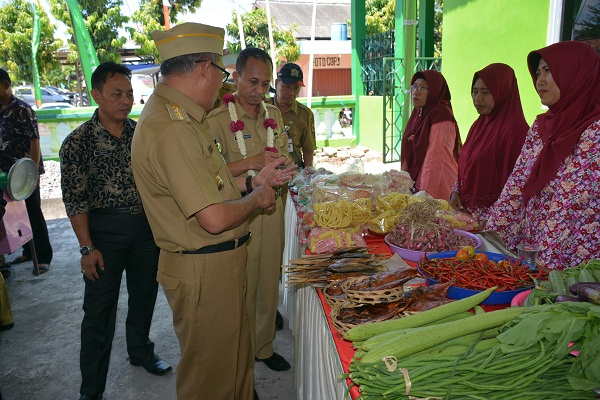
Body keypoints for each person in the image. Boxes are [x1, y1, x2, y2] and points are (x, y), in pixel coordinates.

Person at [131, 23, 296, 400]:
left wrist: (256, 182)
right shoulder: (172, 128)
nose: (222, 84)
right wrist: (257, 199)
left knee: (234, 372)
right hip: (202, 268)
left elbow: (217, 186)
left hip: (217, 263)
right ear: (206, 69)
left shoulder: (184, 118)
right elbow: (214, 217)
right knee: (212, 382)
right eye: (223, 74)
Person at [60, 62, 172, 400]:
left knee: (144, 296)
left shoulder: (142, 134)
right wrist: (86, 248)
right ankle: (90, 390)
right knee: (98, 313)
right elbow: (74, 200)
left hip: (144, 230)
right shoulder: (78, 142)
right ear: (96, 95)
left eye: (129, 94)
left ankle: (140, 351)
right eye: (116, 94)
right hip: (103, 235)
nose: (125, 101)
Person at [207, 47, 292, 373]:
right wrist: (254, 164)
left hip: (271, 213)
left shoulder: (274, 114)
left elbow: (282, 153)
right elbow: (210, 174)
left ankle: (264, 347)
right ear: (236, 77)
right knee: (239, 290)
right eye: (252, 81)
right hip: (237, 215)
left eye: (265, 84)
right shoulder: (217, 120)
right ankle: (241, 367)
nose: (259, 90)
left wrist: (286, 168)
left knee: (269, 283)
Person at [486, 41, 600, 269]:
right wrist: (489, 237)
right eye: (538, 72)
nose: (540, 80)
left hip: (570, 264)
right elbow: (516, 184)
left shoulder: (595, 131)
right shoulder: (542, 126)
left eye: (550, 71)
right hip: (533, 252)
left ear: (577, 73)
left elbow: (571, 204)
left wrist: (543, 264)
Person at [449, 63, 528, 222]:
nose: (478, 98)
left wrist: (493, 220)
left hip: (494, 227)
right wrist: (456, 191)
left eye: (486, 92)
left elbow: (518, 187)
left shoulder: (516, 132)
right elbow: (466, 164)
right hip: (468, 219)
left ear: (503, 92)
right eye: (475, 91)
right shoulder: (478, 125)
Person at [0, 67, 53, 275]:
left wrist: (32, 172)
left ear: (5, 85)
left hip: (24, 173)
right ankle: (28, 252)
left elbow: (34, 141)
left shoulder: (22, 109)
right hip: (6, 175)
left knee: (33, 213)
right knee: (14, 215)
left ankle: (43, 256)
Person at [400, 70, 461, 200]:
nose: (416, 92)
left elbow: (435, 157)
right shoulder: (419, 112)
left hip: (438, 184)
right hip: (419, 183)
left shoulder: (441, 115)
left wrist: (425, 193)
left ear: (434, 91)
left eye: (422, 87)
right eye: (414, 87)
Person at [272, 63, 316, 167]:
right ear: (276, 83)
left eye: (296, 88)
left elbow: (308, 150)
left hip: (294, 173)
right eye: (286, 87)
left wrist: (307, 174)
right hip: (266, 174)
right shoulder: (262, 109)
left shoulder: (305, 114)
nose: (291, 92)